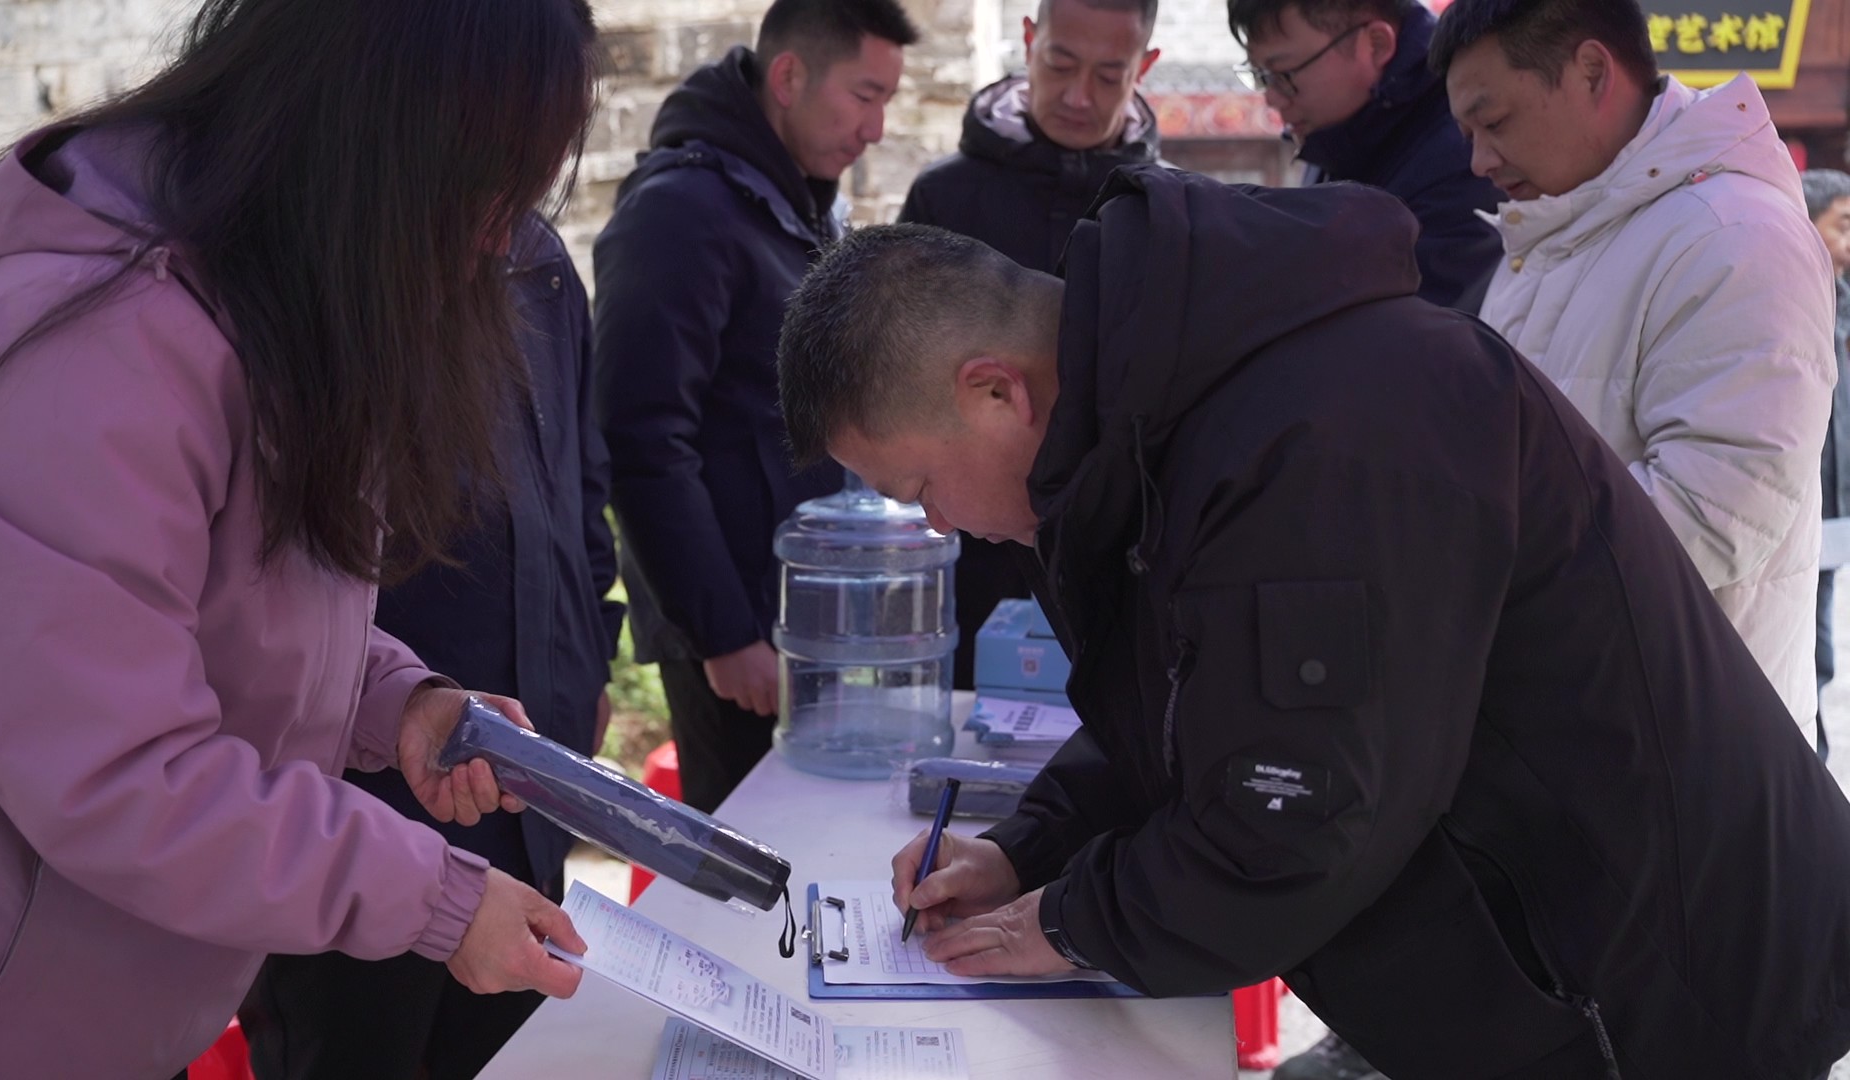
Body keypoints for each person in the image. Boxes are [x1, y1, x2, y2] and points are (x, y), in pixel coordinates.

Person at [775, 173, 1850, 1077]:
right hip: (1541, 957)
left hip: (1666, 993)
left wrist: (1065, 921)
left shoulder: (1327, 434)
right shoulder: (1170, 418)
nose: (937, 524)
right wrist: (1028, 848)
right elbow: (1193, 703)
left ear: (994, 392)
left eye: (918, 487)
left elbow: (1290, 825)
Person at [0, 1, 601, 1077]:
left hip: (106, 1001)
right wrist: (436, 898)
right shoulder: (85, 345)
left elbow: (232, 613)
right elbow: (121, 770)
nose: (495, 240)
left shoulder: (265, 297)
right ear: (374, 136)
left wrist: (399, 702)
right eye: (486, 191)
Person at [239, 217, 626, 1079]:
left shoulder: (538, 260)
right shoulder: (319, 260)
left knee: (512, 1053)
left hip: (509, 765)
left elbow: (575, 481)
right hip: (352, 810)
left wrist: (585, 653)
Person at [1436, 0, 1837, 743]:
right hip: (1573, 724)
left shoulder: (1735, 236)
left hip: (1681, 745)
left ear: (1592, 72)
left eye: (1495, 122)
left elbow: (1713, 518)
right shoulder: (1554, 230)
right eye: (1468, 135)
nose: (1479, 161)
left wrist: (1465, 563)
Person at [595, 0, 917, 812]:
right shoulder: (681, 210)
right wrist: (723, 634)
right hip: (736, 641)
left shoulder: (798, 204)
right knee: (745, 856)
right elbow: (640, 438)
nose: (876, 129)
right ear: (789, 76)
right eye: (864, 95)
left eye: (887, 101)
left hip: (806, 618)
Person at [900, 0, 1160, 690]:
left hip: (1118, 558)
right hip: (970, 553)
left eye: (1109, 75)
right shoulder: (945, 199)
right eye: (1061, 64)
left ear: (1145, 67)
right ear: (1028, 41)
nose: (1079, 96)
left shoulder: (1165, 214)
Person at [1233, 0, 1502, 309]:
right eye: (1261, 75)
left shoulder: (1463, 153)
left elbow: (1423, 324)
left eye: (1283, 74)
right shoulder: (1335, 132)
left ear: (1376, 44)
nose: (1272, 98)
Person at [1805, 168, 1850, 762]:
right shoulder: (1794, 302)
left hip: (1833, 504)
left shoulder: (1840, 303)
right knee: (1803, 647)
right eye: (1843, 225)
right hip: (1800, 504)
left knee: (1820, 646)